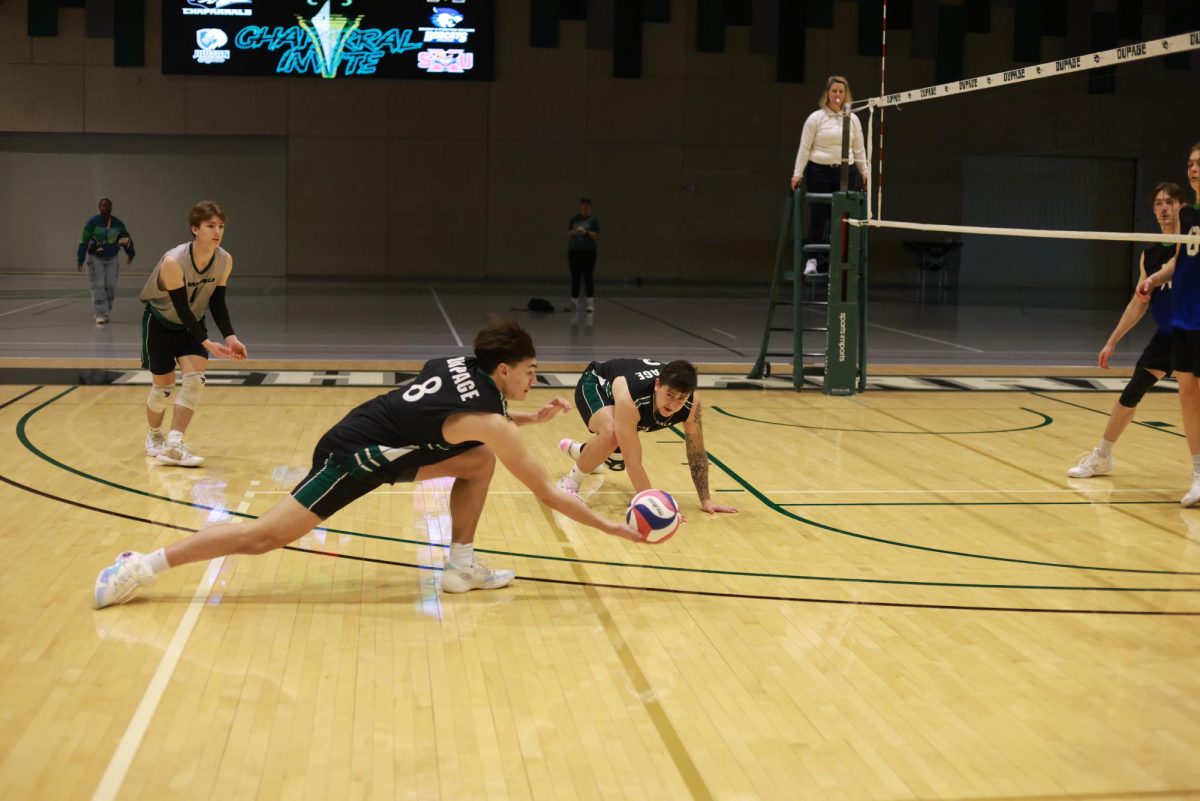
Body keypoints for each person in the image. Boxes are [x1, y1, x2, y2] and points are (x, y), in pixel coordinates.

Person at [93, 319, 641, 609]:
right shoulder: (490, 417)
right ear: (502, 369)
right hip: (352, 457)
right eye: (529, 371)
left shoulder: (457, 365)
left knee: (476, 462)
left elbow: (452, 418)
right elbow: (548, 491)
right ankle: (140, 566)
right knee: (263, 537)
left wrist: (531, 419)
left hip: (383, 447)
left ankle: (460, 566)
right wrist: (615, 528)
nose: (533, 379)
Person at [1067, 182, 1187, 478]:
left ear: (1182, 206)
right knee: (1131, 392)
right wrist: (1112, 342)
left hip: (1194, 336)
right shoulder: (1149, 254)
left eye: (1170, 202)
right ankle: (1102, 457)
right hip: (1167, 337)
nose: (1163, 208)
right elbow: (1139, 302)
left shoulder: (1192, 248)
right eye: (1158, 203)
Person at [138, 201, 248, 468]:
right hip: (162, 322)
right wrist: (207, 342)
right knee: (163, 388)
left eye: (221, 226)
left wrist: (231, 337)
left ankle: (175, 444)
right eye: (210, 226)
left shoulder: (224, 259)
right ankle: (154, 436)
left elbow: (217, 302)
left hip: (192, 325)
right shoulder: (173, 261)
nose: (217, 231)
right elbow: (181, 307)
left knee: (195, 379)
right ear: (195, 229)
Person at [556, 358, 738, 516]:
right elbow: (633, 462)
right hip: (595, 383)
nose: (674, 404)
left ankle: (582, 453)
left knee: (616, 461)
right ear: (658, 385)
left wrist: (706, 500)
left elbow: (697, 453)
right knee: (612, 434)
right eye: (669, 395)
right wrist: (654, 506)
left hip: (624, 395)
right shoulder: (632, 396)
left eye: (681, 398)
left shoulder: (692, 405)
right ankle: (568, 484)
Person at [1138, 143, 1200, 505]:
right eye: (1190, 163)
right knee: (1187, 394)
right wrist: (1153, 279)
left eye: (1199, 164)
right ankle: (1197, 475)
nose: (1193, 169)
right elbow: (1179, 261)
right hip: (1185, 316)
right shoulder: (1188, 215)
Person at [789, 75, 868, 276]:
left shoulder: (853, 119)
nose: (837, 95)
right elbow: (804, 148)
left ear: (846, 94)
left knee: (842, 219)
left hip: (845, 172)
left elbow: (859, 149)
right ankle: (812, 261)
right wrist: (797, 174)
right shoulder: (815, 118)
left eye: (841, 91)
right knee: (818, 217)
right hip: (819, 172)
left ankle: (837, 262)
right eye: (834, 91)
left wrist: (864, 172)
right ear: (828, 93)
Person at [76, 197, 135, 324]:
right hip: (95, 258)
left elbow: (125, 239)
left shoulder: (117, 224)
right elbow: (84, 241)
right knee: (98, 285)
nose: (105, 207)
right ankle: (100, 313)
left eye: (108, 206)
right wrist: (80, 259)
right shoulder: (93, 222)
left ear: (111, 208)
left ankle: (106, 310)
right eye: (103, 205)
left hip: (112, 258)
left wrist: (131, 254)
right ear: (99, 208)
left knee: (110, 285)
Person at [566, 197, 601, 311]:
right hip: (574, 250)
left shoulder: (594, 220)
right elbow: (568, 232)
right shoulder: (574, 219)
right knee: (575, 276)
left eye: (587, 206)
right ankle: (574, 302)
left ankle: (590, 303)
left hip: (589, 251)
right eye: (582, 205)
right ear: (580, 206)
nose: (584, 208)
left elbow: (596, 235)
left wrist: (585, 232)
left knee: (588, 276)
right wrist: (575, 232)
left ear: (589, 207)